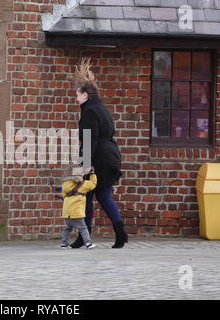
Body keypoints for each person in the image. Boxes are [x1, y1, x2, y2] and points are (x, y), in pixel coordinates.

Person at [71, 58, 128, 249]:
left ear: (85, 95)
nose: (75, 98)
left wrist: (85, 164)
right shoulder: (100, 107)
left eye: (77, 95)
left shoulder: (89, 111)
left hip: (100, 158)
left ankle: (84, 237)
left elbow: (90, 140)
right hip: (110, 155)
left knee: (86, 195)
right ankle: (120, 235)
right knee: (103, 196)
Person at [60, 165, 97, 249]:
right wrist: (92, 173)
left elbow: (63, 195)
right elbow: (93, 184)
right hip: (77, 211)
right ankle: (88, 243)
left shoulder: (65, 184)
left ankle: (64, 243)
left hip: (67, 211)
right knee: (83, 228)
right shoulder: (83, 184)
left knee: (67, 228)